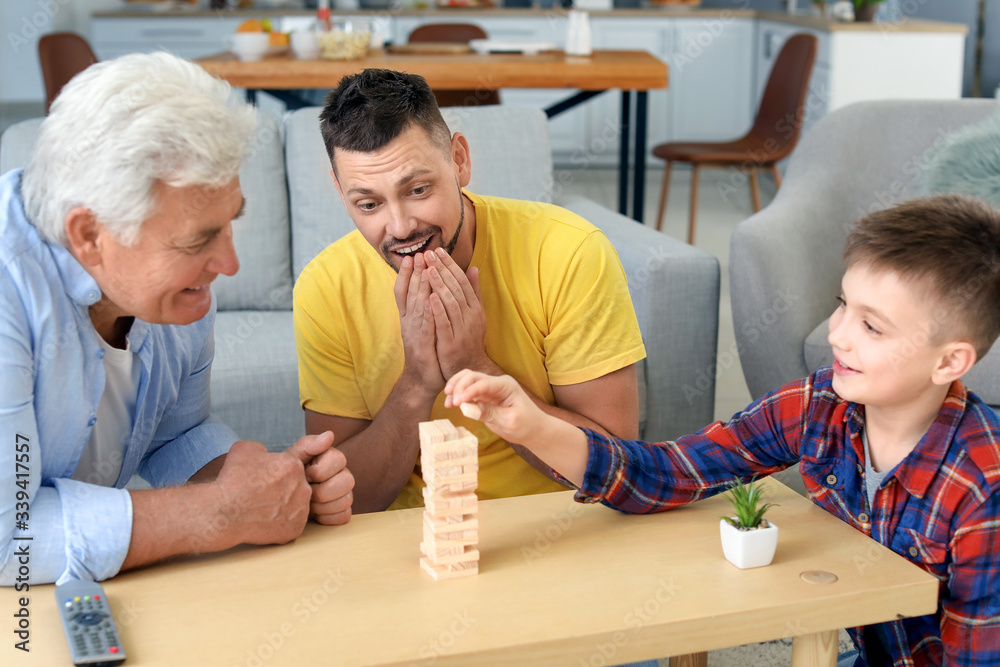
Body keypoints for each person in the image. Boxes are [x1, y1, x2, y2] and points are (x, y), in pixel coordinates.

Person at [444, 194, 1000, 666]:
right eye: (843, 306)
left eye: (872, 326)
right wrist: (533, 426)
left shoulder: (983, 486)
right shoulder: (820, 405)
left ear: (949, 363)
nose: (838, 335)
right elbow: (669, 474)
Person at [0, 53, 354, 587]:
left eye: (229, 224)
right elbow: (11, 542)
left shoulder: (178, 297)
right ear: (89, 236)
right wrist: (219, 514)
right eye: (196, 241)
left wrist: (264, 483)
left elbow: (174, 434)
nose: (229, 266)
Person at [294, 68, 646, 513]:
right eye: (369, 204)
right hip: (410, 535)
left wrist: (475, 365)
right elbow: (344, 498)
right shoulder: (325, 287)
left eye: (418, 189)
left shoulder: (569, 252)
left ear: (459, 160)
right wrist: (417, 383)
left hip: (558, 525)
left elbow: (621, 470)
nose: (401, 227)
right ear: (340, 192)